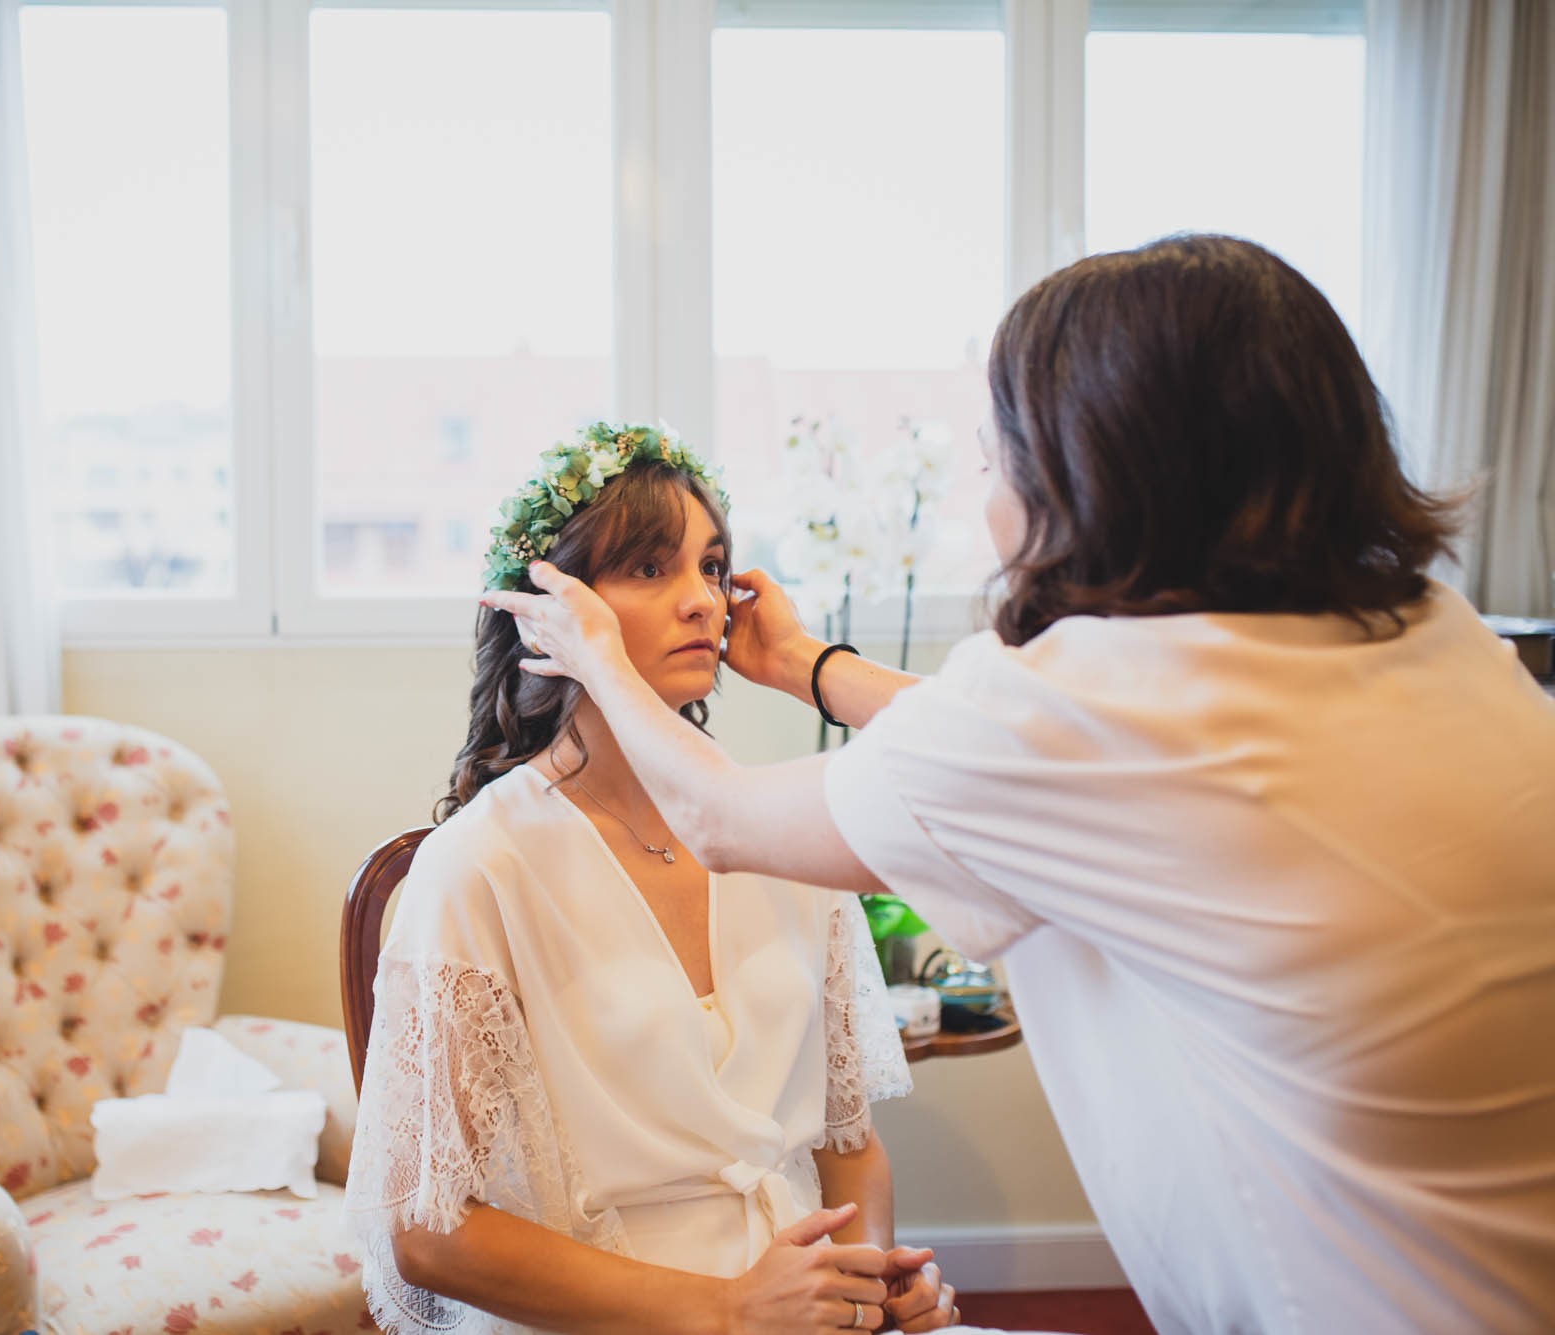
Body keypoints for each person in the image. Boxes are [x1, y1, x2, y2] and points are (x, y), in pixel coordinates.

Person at [483, 236, 1555, 1333]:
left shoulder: (1089, 701)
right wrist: (806, 663)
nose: (983, 497)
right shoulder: (1446, 640)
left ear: (1090, 474)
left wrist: (599, 656)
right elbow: (1048, 758)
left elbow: (717, 817)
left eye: (994, 462)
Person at [344, 424, 963, 1335]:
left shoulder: (783, 832)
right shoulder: (481, 867)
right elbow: (428, 1233)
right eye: (648, 568)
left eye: (713, 568)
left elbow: (848, 1146)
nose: (702, 603)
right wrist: (726, 1309)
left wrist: (865, 1286)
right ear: (551, 609)